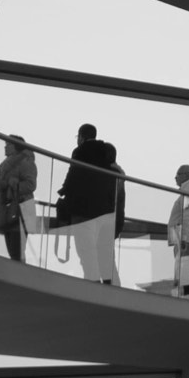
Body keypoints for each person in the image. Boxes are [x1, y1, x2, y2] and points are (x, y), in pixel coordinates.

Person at [60, 122, 123, 285]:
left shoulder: (81, 152)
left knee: (87, 255)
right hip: (107, 213)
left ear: (81, 136)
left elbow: (74, 174)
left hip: (84, 211)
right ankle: (115, 292)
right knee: (106, 258)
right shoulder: (107, 155)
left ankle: (92, 288)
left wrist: (65, 190)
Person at [0, 135, 38, 262]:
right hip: (7, 209)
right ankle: (19, 276)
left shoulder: (26, 162)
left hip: (20, 209)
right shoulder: (5, 164)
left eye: (8, 144)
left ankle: (20, 276)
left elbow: (31, 185)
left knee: (16, 250)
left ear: (15, 146)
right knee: (13, 251)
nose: (5, 147)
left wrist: (7, 183)